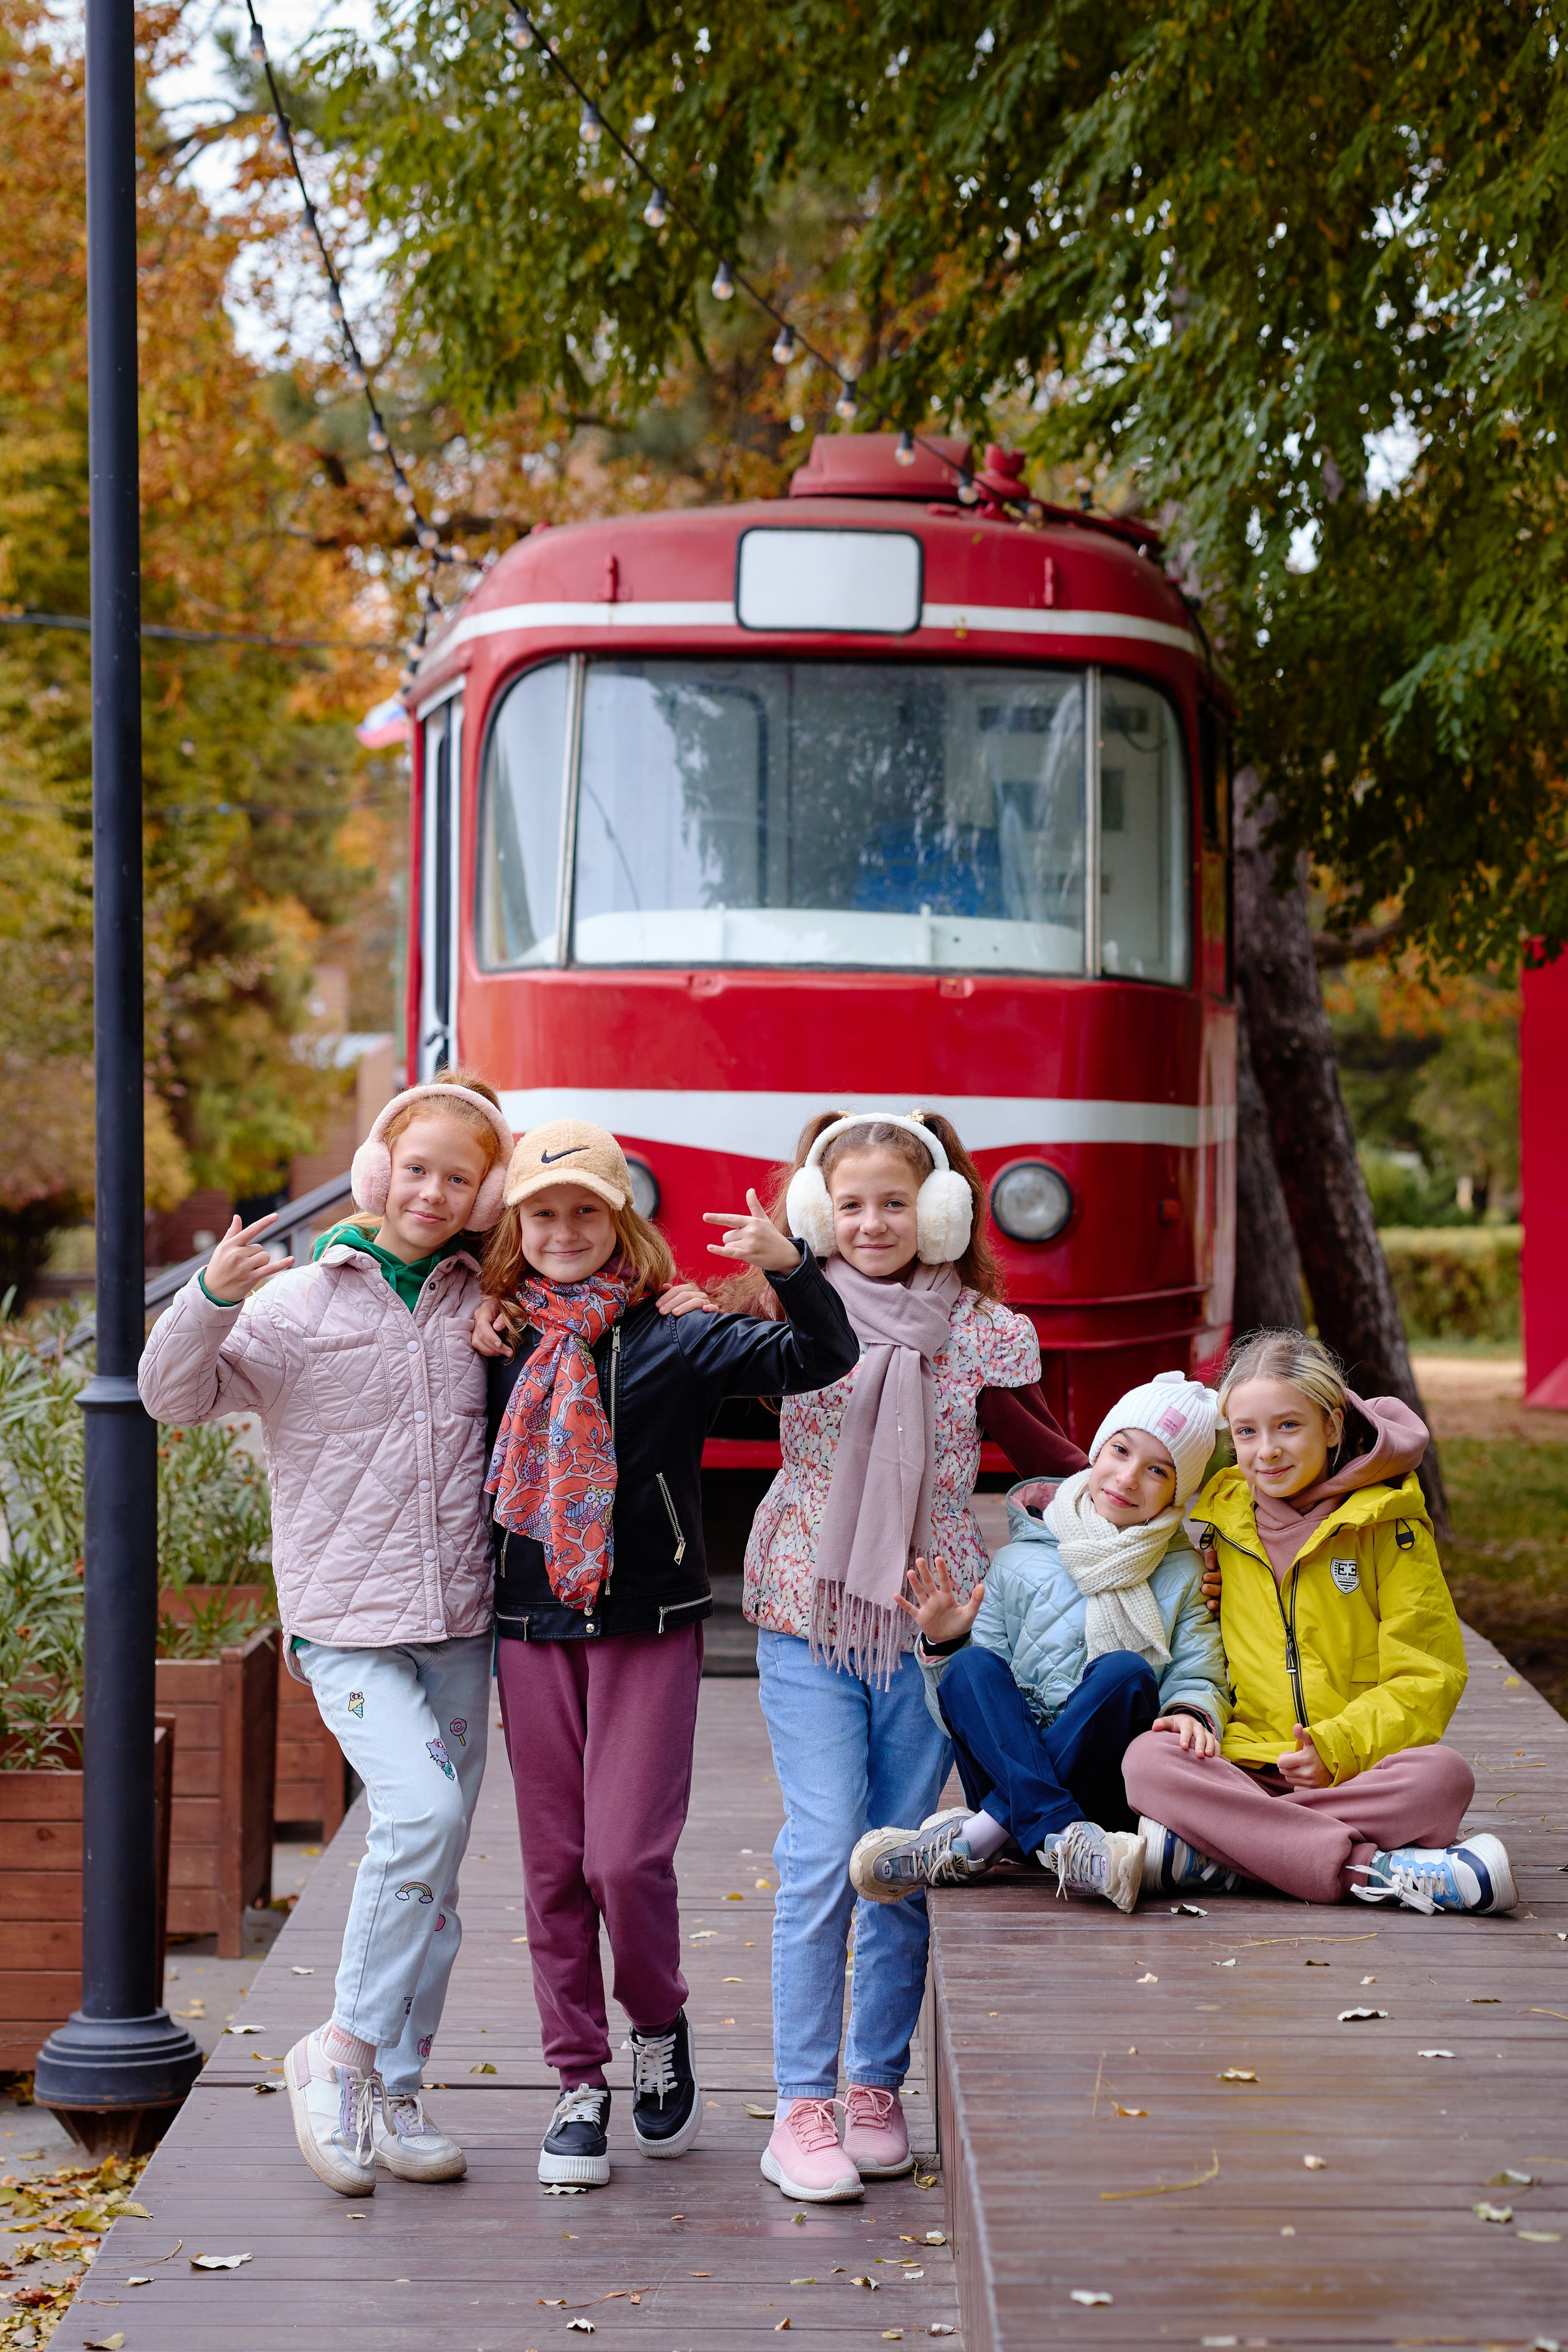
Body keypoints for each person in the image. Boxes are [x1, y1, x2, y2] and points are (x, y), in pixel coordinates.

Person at [138, 1068, 516, 2197]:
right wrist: (211, 1291)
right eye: (416, 1169)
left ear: (485, 1194)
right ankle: (340, 2049)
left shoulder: (480, 1303)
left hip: (458, 1624)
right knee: (422, 1808)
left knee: (435, 1871)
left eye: (460, 1177)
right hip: (348, 1627)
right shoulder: (298, 1304)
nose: (434, 1192)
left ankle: (398, 2088)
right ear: (374, 1173)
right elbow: (171, 1396)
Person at [469, 1118, 859, 2190]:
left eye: (585, 1210)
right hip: (530, 1626)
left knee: (624, 1862)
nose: (563, 1231)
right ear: (516, 1226)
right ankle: (578, 2081)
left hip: (648, 1622)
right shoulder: (492, 1335)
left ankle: (658, 2024)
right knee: (554, 1870)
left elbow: (821, 1357)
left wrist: (793, 1269)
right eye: (542, 1213)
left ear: (619, 1220)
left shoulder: (676, 1333)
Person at [732, 1109, 1087, 2204]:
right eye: (850, 1204)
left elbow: (1051, 1455)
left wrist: (1170, 1496)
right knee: (824, 1843)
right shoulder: (787, 1313)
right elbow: (658, 1377)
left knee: (899, 1853)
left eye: (896, 1202)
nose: (873, 1222)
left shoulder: (980, 1330)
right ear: (813, 1213)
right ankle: (802, 2104)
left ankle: (874, 2088)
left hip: (930, 1626)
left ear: (939, 1211)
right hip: (808, 1613)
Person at [1125, 1329, 1517, 1914]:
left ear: (1332, 1426)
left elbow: (1429, 1676)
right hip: (1246, 1768)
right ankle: (1375, 1870)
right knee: (1147, 1764)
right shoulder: (1222, 1527)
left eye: (1289, 1426)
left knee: (1444, 1778)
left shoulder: (1389, 1527)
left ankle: (1223, 1858)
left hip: (1356, 1771)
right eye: (1247, 1433)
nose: (1268, 1451)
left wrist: (1336, 1747)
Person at [852, 1371, 1228, 1916]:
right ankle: (1060, 1838)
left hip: (1106, 1792)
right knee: (971, 1668)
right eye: (1120, 1451)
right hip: (1013, 1769)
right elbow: (958, 1715)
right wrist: (946, 1644)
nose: (1127, 1477)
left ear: (1177, 1491)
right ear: (1097, 1450)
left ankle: (975, 1842)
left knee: (1125, 1672)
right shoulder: (1017, 1562)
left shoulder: (1182, 1574)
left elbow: (1199, 1670)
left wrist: (1192, 1709)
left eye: (1157, 1470)